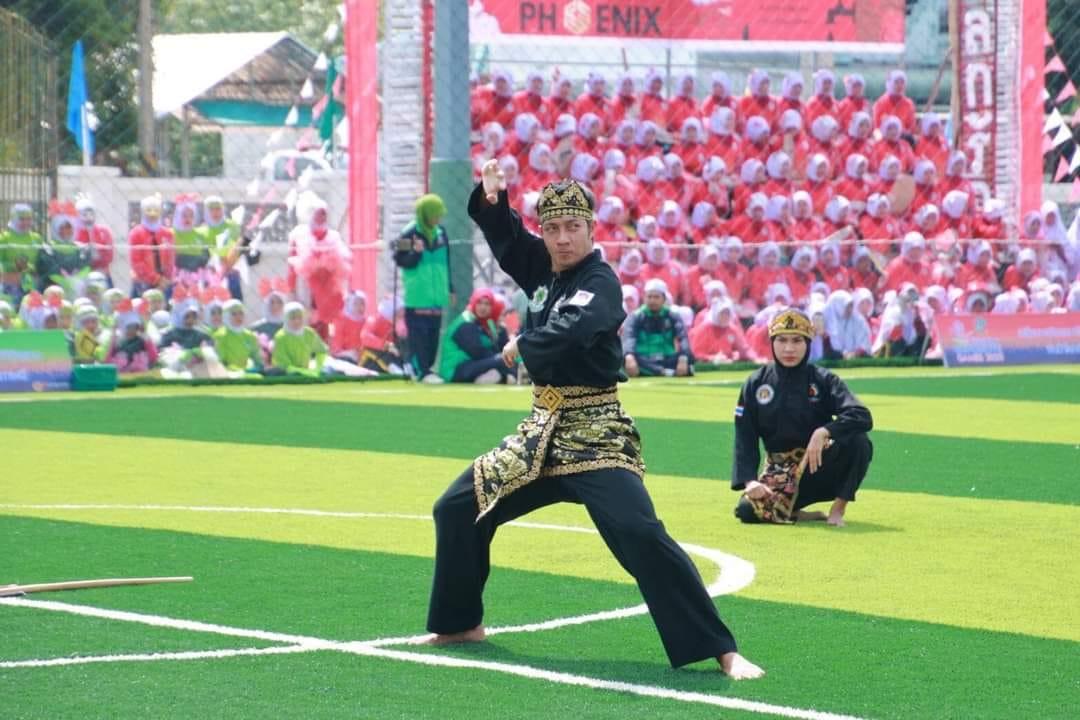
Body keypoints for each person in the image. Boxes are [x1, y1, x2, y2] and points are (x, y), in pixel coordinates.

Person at [424, 161, 763, 680]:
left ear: (590, 228)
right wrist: (494, 201)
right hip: (540, 434)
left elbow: (576, 326)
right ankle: (459, 623)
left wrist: (524, 343)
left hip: (595, 436)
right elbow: (511, 241)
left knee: (639, 532)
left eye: (572, 227)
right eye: (552, 229)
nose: (561, 239)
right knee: (457, 507)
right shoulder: (543, 267)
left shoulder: (600, 282)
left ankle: (722, 650)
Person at [731, 308, 873, 527]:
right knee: (746, 511)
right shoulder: (756, 383)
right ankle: (798, 513)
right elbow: (745, 436)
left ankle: (838, 509)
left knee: (858, 440)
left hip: (820, 466)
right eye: (782, 340)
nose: (789, 348)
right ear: (772, 342)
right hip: (780, 473)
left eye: (797, 341)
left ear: (808, 343)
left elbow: (861, 415)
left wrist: (825, 431)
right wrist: (750, 482)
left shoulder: (823, 380)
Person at [394, 194, 453, 382]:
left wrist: (450, 288)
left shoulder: (442, 233)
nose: (438, 218)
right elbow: (399, 259)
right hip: (418, 295)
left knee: (433, 336)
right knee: (419, 335)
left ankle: (426, 369)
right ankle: (422, 371)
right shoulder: (408, 233)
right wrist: (415, 253)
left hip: (437, 296)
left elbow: (447, 262)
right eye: (435, 214)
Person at [437, 287, 514, 384]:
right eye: (479, 303)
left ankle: (505, 377)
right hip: (456, 370)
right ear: (473, 302)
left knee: (503, 359)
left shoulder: (486, 323)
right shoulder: (465, 322)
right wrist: (502, 359)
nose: (483, 307)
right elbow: (477, 352)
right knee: (502, 360)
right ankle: (512, 376)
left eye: (487, 304)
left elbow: (494, 348)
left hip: (471, 365)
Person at [622, 278, 693, 377]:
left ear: (664, 299)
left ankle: (655, 371)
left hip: (667, 358)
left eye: (656, 297)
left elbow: (683, 338)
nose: (652, 300)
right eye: (649, 297)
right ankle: (667, 372)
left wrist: (683, 358)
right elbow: (629, 338)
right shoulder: (636, 316)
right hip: (644, 358)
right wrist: (629, 356)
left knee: (688, 356)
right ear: (644, 298)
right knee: (625, 357)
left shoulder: (673, 316)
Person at [129, 194, 176, 298]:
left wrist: (165, 279)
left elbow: (171, 260)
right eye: (148, 210)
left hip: (164, 283)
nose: (152, 215)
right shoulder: (136, 233)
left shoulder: (167, 234)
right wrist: (156, 279)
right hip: (143, 282)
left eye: (156, 210)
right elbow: (137, 262)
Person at [271, 302, 328, 377]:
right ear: (286, 318)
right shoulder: (280, 337)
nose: (297, 321)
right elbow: (283, 364)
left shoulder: (309, 333)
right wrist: (301, 372)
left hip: (306, 371)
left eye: (300, 317)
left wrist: (318, 368)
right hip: (285, 374)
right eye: (293, 318)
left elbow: (321, 351)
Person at [0, 204, 41, 306]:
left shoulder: (37, 238)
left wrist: (30, 267)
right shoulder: (4, 238)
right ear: (14, 219)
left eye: (29, 219)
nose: (26, 222)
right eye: (21, 219)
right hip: (8, 285)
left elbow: (41, 263)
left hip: (32, 286)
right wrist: (13, 266)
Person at [213, 299, 263, 373]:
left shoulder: (249, 335)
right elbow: (220, 361)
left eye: (241, 313)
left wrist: (255, 367)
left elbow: (257, 358)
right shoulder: (220, 336)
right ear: (226, 316)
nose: (238, 317)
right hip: (229, 374)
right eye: (234, 314)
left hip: (249, 372)